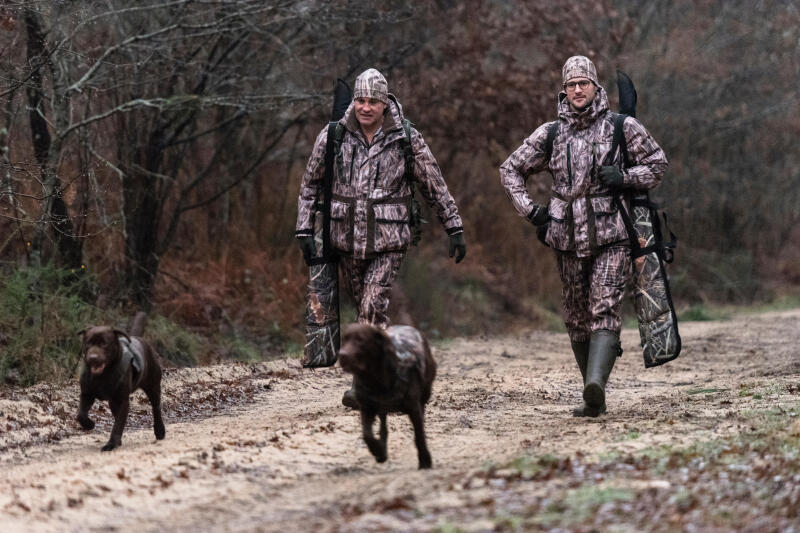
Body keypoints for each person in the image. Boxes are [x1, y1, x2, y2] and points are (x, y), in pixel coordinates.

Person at [499, 56, 668, 417]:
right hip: (565, 238)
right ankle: (593, 397)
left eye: (584, 83)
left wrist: (624, 177)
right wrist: (531, 211)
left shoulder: (622, 126)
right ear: (564, 90)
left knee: (604, 308)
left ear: (595, 87)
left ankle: (596, 384)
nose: (578, 90)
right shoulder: (551, 134)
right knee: (577, 317)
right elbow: (510, 169)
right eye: (571, 84)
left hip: (613, 235)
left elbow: (657, 164)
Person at [296, 68, 466, 407]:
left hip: (389, 240)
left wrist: (454, 226)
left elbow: (433, 183)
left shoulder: (405, 138)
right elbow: (310, 184)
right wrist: (304, 228)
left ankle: (364, 388)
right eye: (360, 100)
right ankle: (391, 379)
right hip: (345, 240)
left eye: (374, 101)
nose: (366, 107)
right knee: (367, 317)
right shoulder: (334, 136)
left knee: (373, 308)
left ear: (385, 103)